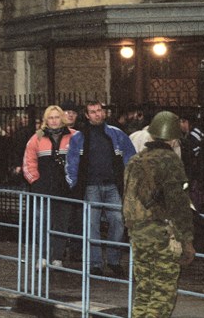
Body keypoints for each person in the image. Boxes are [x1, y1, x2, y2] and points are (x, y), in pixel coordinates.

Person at [123, 111, 195, 318]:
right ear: (173, 139)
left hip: (138, 234)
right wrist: (187, 239)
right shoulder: (170, 161)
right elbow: (178, 204)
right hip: (163, 235)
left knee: (144, 289)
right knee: (163, 291)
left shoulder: (135, 161)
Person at [65, 100, 136, 277]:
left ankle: (113, 260)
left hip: (112, 185)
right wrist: (74, 184)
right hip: (90, 186)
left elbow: (130, 156)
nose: (97, 114)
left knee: (118, 221)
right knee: (92, 225)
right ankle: (95, 263)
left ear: (103, 112)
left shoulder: (116, 134)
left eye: (99, 110)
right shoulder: (79, 137)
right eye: (93, 111)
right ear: (87, 115)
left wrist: (128, 180)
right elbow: (71, 162)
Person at [23, 105, 76, 267]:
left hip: (65, 189)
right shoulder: (37, 138)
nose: (54, 121)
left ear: (62, 118)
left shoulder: (75, 136)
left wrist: (73, 181)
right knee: (42, 223)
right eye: (50, 118)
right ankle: (43, 257)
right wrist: (35, 181)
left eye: (57, 117)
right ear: (46, 120)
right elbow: (28, 162)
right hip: (43, 188)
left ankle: (57, 258)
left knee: (61, 224)